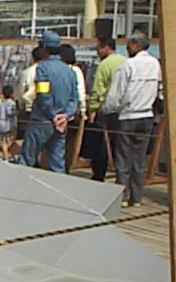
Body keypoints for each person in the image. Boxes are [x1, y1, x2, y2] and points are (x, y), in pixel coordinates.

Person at [103, 33, 162, 207]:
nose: (127, 48)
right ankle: (136, 197)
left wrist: (106, 110)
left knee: (123, 158)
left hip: (128, 116)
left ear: (136, 45)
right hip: (147, 116)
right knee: (140, 158)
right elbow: (160, 90)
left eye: (128, 45)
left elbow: (116, 94)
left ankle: (123, 196)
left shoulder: (128, 65)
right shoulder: (155, 64)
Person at [17, 31, 79, 173]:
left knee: (27, 160)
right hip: (61, 123)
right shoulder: (70, 71)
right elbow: (74, 99)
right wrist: (64, 116)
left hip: (42, 120)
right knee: (57, 163)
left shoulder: (43, 68)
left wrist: (53, 115)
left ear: (44, 48)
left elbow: (43, 95)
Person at [88, 36, 127, 182]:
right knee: (120, 145)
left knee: (101, 145)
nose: (97, 51)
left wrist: (93, 109)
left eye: (98, 48)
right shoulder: (125, 62)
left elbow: (98, 89)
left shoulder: (104, 65)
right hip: (123, 109)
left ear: (106, 47)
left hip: (106, 109)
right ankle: (121, 176)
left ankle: (99, 174)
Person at [59, 43, 87, 172]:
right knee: (70, 143)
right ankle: (66, 167)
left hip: (59, 112)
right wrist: (83, 111)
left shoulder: (59, 70)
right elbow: (81, 93)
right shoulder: (77, 71)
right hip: (73, 114)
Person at [16, 47, 43, 140]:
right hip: (44, 109)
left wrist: (20, 105)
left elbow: (21, 91)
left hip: (29, 108)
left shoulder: (26, 72)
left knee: (26, 137)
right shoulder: (49, 71)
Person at [0, 85, 18, 160]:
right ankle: (8, 156)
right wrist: (17, 111)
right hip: (9, 126)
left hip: (1, 126)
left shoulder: (1, 104)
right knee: (10, 141)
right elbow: (10, 112)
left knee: (3, 142)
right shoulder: (11, 103)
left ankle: (7, 156)